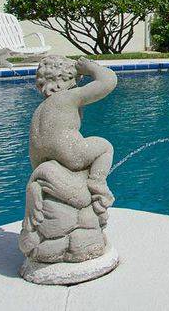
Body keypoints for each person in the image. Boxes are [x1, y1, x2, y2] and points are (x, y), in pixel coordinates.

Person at [28, 56, 117, 213]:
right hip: (68, 153)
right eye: (75, 80)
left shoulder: (40, 108)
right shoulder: (68, 96)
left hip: (38, 159)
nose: (77, 84)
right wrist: (91, 68)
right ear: (64, 80)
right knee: (104, 147)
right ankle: (97, 183)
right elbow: (108, 82)